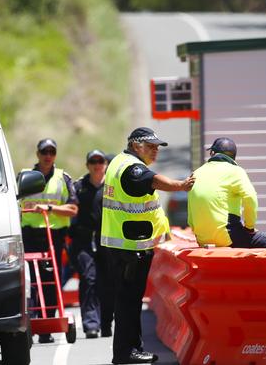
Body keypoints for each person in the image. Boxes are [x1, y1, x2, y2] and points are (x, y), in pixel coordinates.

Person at [101, 127, 194, 364]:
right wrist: (181, 185)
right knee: (129, 302)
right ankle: (126, 352)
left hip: (125, 244)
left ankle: (129, 350)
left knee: (128, 301)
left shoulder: (119, 162)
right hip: (131, 247)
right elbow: (152, 180)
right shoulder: (132, 168)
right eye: (151, 146)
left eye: (157, 147)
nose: (155, 151)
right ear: (135, 145)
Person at [19, 138, 78, 344]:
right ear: (38, 154)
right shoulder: (24, 176)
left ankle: (47, 326)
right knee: (30, 282)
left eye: (52, 152)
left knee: (51, 282)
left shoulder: (63, 178)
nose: (48, 156)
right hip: (29, 235)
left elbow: (73, 209)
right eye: (44, 152)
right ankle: (31, 322)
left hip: (53, 236)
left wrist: (50, 209)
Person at [187, 137, 266, 248]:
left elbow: (191, 209)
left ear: (212, 153)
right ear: (234, 156)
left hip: (202, 239)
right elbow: (250, 197)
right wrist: (249, 227)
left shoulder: (196, 173)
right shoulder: (236, 171)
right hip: (228, 236)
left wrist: (198, 233)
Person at [69, 149, 114, 339]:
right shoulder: (78, 187)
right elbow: (69, 210)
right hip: (83, 242)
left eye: (100, 161)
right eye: (93, 161)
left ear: (105, 164)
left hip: (108, 241)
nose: (97, 165)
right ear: (88, 165)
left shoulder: (113, 187)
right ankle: (91, 324)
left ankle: (105, 323)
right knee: (89, 279)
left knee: (108, 284)